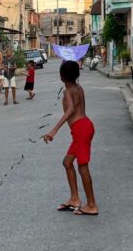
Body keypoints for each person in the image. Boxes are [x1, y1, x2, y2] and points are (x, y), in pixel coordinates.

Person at [42, 61, 98, 216]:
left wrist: (54, 130)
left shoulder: (68, 91)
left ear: (62, 76)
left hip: (81, 129)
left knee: (82, 166)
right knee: (67, 162)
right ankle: (74, 198)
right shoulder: (78, 88)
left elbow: (71, 109)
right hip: (84, 126)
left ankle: (92, 205)